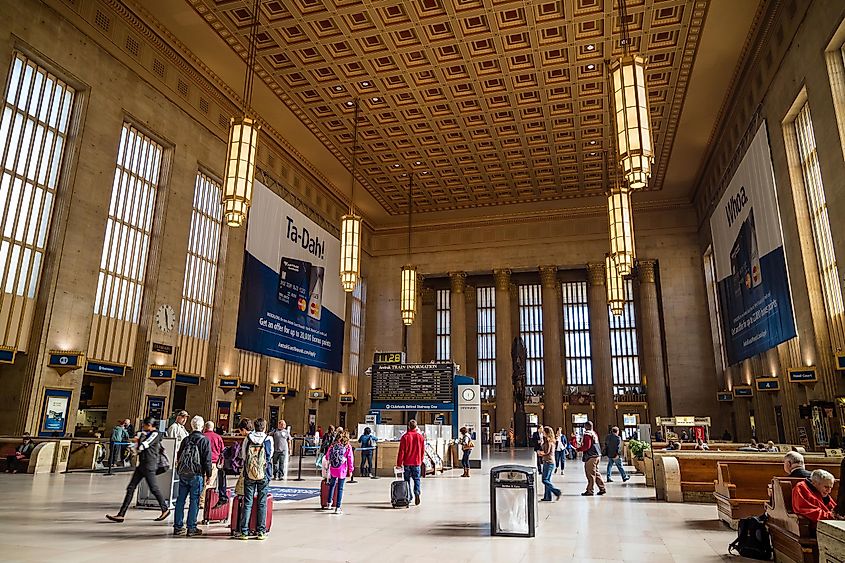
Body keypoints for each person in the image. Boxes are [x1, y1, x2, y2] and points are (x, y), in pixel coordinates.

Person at [106, 417, 171, 523]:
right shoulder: (145, 434)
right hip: (143, 465)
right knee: (131, 488)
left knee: (154, 488)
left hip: (150, 465)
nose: (143, 427)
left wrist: (139, 440)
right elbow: (138, 447)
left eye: (145, 425)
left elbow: (144, 445)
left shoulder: (155, 434)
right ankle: (121, 514)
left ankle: (165, 509)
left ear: (150, 425)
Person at [173, 416, 212, 537]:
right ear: (202, 427)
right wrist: (209, 474)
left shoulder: (186, 439)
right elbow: (207, 460)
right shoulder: (204, 440)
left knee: (180, 499)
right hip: (197, 474)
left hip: (184, 473)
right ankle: (191, 527)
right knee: (194, 500)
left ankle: (178, 526)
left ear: (191, 425)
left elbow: (179, 455)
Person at [237, 417, 272, 540]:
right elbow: (269, 456)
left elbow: (243, 456)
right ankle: (261, 531)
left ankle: (244, 531)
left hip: (249, 473)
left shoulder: (248, 438)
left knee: (248, 502)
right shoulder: (268, 439)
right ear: (264, 427)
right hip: (263, 474)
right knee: (262, 502)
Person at [324, 430, 355, 514]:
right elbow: (350, 459)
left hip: (333, 468)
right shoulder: (348, 447)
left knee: (332, 485)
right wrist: (351, 470)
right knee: (340, 488)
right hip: (342, 469)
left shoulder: (333, 445)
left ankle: (329, 503)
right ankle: (338, 507)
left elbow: (327, 456)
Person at [396, 419, 425, 506]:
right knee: (417, 479)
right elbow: (423, 451)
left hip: (407, 462)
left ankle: (408, 496)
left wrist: (399, 463)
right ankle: (417, 493)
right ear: (416, 427)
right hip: (416, 462)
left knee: (407, 480)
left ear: (408, 426)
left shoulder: (405, 437)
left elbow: (401, 451)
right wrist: (421, 460)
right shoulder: (420, 437)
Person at [202, 421, 226, 509]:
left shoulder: (202, 436)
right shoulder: (218, 437)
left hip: (202, 462)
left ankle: (200, 500)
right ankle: (204, 501)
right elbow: (222, 450)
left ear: (205, 427)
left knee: (202, 482)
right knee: (209, 483)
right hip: (214, 462)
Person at [578, 421, 606, 496]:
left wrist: (579, 449)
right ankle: (602, 488)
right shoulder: (594, 433)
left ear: (585, 427)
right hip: (597, 455)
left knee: (590, 474)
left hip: (591, 456)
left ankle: (590, 490)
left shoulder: (587, 434)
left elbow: (587, 446)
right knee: (596, 473)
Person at [538, 426, 561, 502]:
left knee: (544, 480)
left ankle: (556, 491)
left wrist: (540, 453)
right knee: (547, 479)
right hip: (550, 462)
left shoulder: (548, 441)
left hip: (548, 462)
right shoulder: (552, 440)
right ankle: (547, 496)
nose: (542, 432)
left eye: (544, 431)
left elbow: (547, 452)